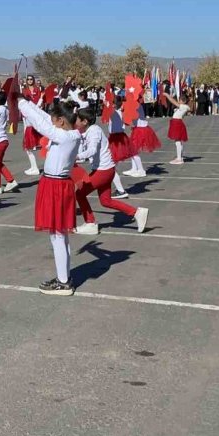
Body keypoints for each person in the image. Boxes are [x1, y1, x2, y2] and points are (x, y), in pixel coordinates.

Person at [18, 98, 81, 296]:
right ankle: (64, 277)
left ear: (61, 121)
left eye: (55, 120)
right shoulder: (69, 133)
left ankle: (63, 282)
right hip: (56, 184)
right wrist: (26, 101)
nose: (52, 122)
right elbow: (45, 118)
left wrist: (21, 104)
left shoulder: (66, 136)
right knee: (59, 235)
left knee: (58, 235)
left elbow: (40, 124)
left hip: (56, 185)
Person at [73, 107, 149, 235]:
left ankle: (90, 223)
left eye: (77, 119)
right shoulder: (88, 131)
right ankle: (137, 212)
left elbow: (92, 150)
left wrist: (76, 157)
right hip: (106, 169)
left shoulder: (94, 131)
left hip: (103, 171)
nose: (75, 122)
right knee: (105, 201)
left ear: (85, 121)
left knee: (79, 193)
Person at [106, 97, 134, 199]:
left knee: (111, 165)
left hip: (116, 140)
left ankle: (121, 190)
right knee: (111, 164)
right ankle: (117, 188)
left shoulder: (114, 113)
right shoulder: (120, 112)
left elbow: (109, 109)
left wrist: (107, 103)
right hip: (120, 137)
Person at [21, 76, 43, 175]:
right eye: (28, 79)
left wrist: (40, 102)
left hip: (35, 115)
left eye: (31, 79)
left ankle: (35, 168)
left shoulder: (37, 90)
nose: (30, 80)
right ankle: (33, 167)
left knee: (29, 145)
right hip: (27, 117)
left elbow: (39, 103)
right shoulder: (24, 90)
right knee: (28, 144)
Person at [165, 93, 190, 165]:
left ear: (183, 101)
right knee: (178, 141)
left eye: (179, 100)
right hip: (176, 123)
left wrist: (167, 95)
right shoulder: (182, 107)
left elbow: (173, 101)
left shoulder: (184, 106)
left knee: (177, 141)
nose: (178, 101)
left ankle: (179, 158)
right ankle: (180, 157)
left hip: (177, 123)